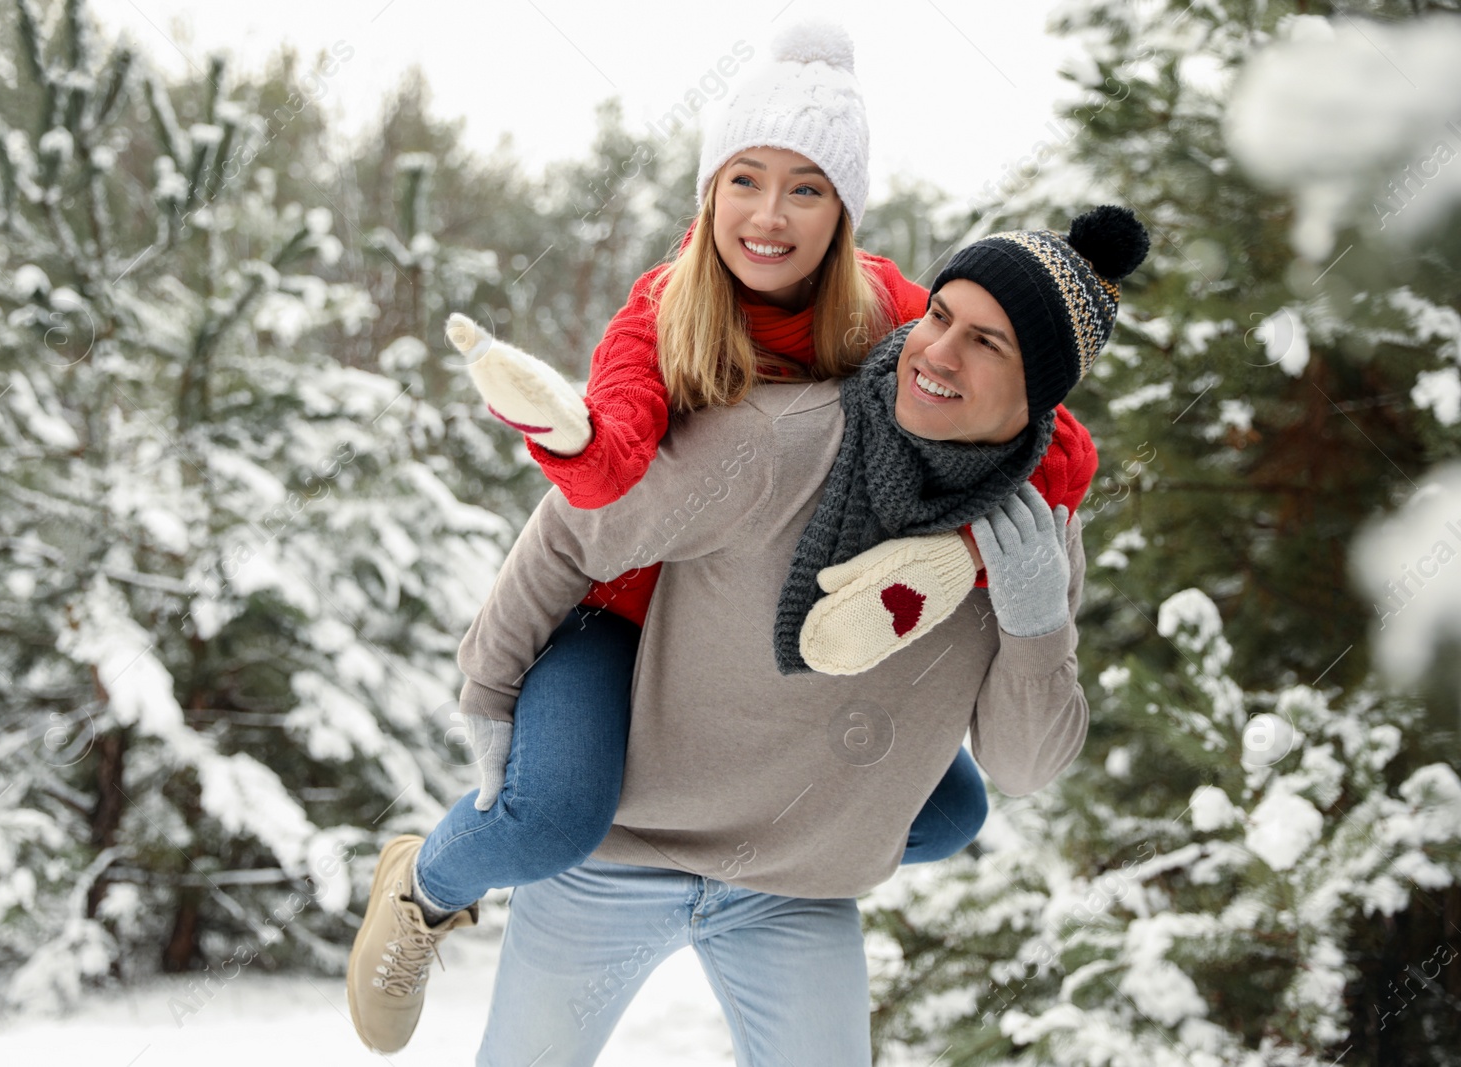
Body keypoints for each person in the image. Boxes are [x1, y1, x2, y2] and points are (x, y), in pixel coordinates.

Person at [344, 20, 1096, 1056]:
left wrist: (1035, 589)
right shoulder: (684, 325)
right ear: (708, 193)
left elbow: (1038, 448)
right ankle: (427, 881)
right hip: (614, 607)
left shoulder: (890, 327)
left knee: (948, 812)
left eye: (807, 189)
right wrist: (488, 688)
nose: (770, 216)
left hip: (785, 862)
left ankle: (777, 843)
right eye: (744, 179)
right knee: (550, 811)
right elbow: (584, 510)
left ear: (844, 215)